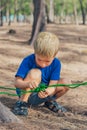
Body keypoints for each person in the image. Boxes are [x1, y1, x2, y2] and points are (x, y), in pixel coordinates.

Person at [12, 32, 71, 116]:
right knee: (35, 72)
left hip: (42, 95)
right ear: (35, 52)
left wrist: (47, 92)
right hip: (27, 93)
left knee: (66, 82)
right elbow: (16, 83)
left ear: (54, 56)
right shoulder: (28, 60)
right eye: (39, 59)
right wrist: (27, 83)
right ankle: (22, 103)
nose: (43, 64)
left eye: (47, 61)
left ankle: (49, 102)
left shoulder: (56, 63)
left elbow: (52, 85)